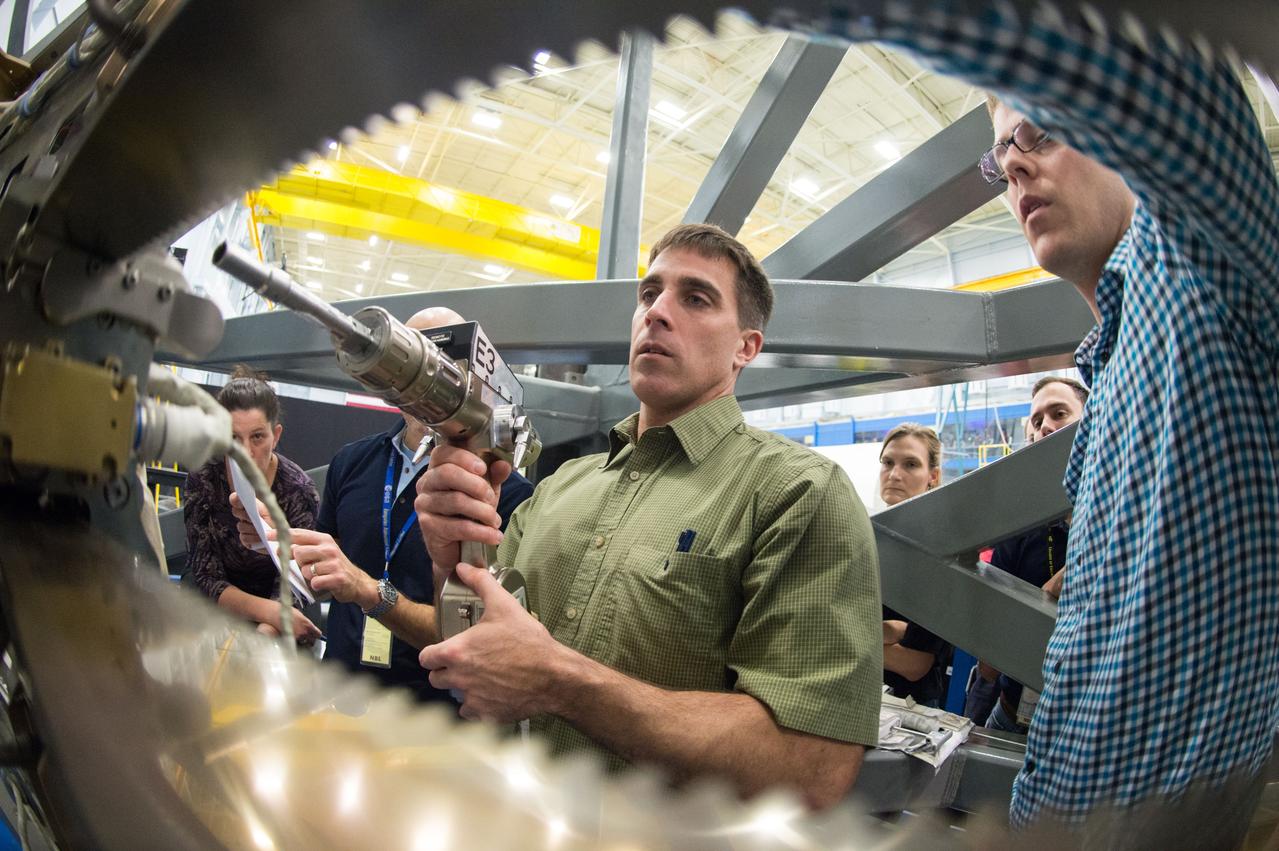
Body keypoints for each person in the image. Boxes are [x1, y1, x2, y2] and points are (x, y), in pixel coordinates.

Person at [833, 8, 1279, 833]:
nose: (1014, 168)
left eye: (1040, 130)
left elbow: (1190, 97)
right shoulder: (1106, 369)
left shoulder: (1192, 270)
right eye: (1000, 155)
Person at [415, 223, 882, 809]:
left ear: (746, 347)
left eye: (696, 298)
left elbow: (812, 769)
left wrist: (560, 682)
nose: (657, 312)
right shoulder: (563, 487)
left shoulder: (798, 493)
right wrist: (454, 560)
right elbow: (475, 647)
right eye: (649, 294)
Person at [233, 308, 534, 703]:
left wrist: (368, 590)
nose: (421, 382)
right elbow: (323, 579)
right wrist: (276, 542)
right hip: (337, 691)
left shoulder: (502, 493)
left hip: (426, 715)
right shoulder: (352, 461)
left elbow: (476, 636)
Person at [963, 376, 1087, 731]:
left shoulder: (1125, 515)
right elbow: (990, 654)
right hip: (1013, 713)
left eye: (1059, 413)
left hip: (1084, 722)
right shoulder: (1017, 526)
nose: (1045, 426)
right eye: (1036, 421)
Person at [184, 366, 321, 643]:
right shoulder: (205, 476)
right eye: (234, 438)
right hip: (216, 609)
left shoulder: (298, 490)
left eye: (257, 436)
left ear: (276, 435)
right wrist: (270, 613)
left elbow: (296, 580)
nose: (245, 451)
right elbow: (205, 575)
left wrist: (267, 631)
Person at [877, 423, 952, 708]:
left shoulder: (939, 554)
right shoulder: (870, 537)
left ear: (933, 476)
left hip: (911, 707)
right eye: (888, 462)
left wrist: (846, 637)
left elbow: (915, 663)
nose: (895, 474)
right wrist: (891, 633)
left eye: (910, 464)